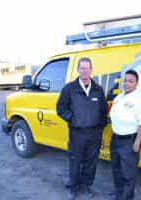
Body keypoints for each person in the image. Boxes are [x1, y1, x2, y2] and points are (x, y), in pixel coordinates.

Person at [57, 57, 108, 200]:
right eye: (82, 68)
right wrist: (73, 119)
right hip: (77, 133)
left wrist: (99, 128)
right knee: (75, 160)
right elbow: (60, 108)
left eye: (88, 68)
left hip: (94, 133)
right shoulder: (69, 88)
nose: (85, 71)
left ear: (91, 70)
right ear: (78, 70)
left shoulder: (98, 89)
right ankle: (73, 188)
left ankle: (86, 187)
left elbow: (104, 111)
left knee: (91, 162)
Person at [110, 70, 141, 200]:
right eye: (125, 80)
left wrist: (137, 142)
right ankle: (119, 195)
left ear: (136, 83)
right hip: (115, 139)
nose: (127, 83)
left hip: (129, 141)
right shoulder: (119, 97)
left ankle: (126, 198)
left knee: (128, 174)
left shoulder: (140, 100)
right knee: (116, 170)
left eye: (130, 81)